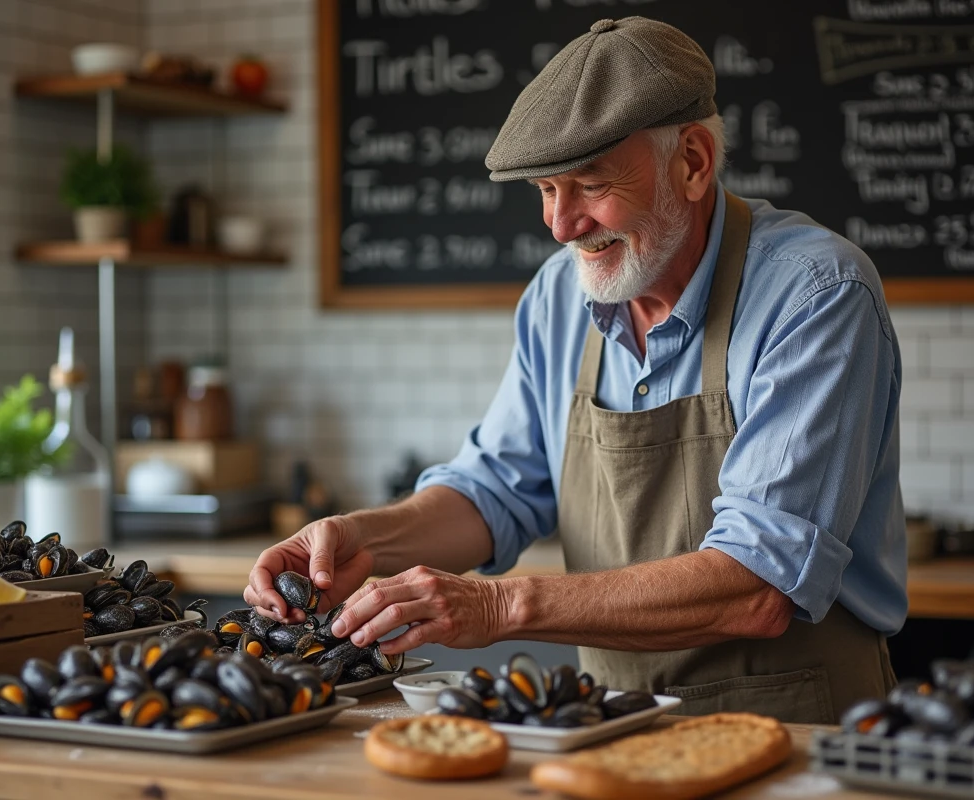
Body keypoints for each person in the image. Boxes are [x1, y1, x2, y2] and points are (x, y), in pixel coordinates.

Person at [247, 16, 906, 724]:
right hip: (615, 729)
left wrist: (502, 604)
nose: (562, 226)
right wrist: (362, 540)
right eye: (544, 191)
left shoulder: (816, 295)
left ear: (692, 162)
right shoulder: (560, 297)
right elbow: (495, 491)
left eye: (589, 185)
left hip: (799, 732)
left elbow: (757, 585)